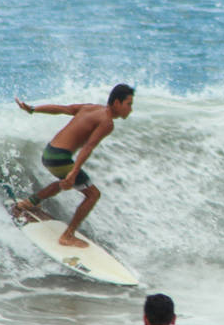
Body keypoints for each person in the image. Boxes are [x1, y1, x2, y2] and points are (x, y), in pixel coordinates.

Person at [12, 84, 135, 248]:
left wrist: (33, 109)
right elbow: (88, 147)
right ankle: (67, 236)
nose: (130, 109)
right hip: (60, 158)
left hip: (49, 153)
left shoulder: (90, 108)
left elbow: (63, 109)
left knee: (64, 182)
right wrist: (74, 171)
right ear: (117, 103)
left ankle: (28, 203)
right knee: (93, 195)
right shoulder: (107, 123)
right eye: (129, 104)